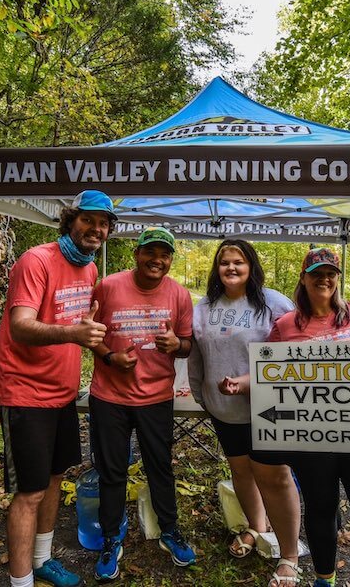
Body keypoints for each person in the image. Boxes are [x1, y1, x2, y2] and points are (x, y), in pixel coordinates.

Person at [0, 190, 116, 587]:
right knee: (29, 493)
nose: (96, 229)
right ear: (71, 220)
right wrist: (73, 333)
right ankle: (20, 581)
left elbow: (85, 327)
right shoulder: (37, 260)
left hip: (62, 394)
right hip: (24, 393)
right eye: (88, 220)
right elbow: (20, 325)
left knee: (54, 478)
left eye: (103, 223)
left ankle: (43, 560)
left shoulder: (89, 269)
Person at [267, 247, 350, 587]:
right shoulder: (284, 326)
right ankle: (324, 578)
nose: (324, 278)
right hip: (312, 437)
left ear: (337, 278)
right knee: (321, 511)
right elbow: (270, 376)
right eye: (316, 272)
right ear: (304, 278)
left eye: (331, 273)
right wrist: (240, 384)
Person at [188, 239, 302, 587]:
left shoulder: (275, 303)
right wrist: (201, 395)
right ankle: (257, 527)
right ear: (216, 268)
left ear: (251, 266)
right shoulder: (204, 308)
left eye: (239, 262)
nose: (231, 268)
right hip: (223, 409)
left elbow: (294, 354)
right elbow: (196, 356)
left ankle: (289, 555)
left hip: (268, 409)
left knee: (276, 477)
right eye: (225, 262)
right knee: (240, 470)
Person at [89, 226, 196, 582]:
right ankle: (109, 538)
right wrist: (109, 358)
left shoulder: (179, 294)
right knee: (112, 471)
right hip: (110, 397)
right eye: (151, 252)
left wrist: (175, 346)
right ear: (137, 254)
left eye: (165, 254)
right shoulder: (108, 286)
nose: (157, 260)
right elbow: (91, 335)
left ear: (169, 260)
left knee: (160, 468)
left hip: (156, 398)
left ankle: (170, 531)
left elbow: (188, 343)